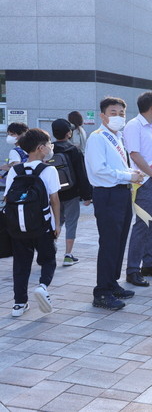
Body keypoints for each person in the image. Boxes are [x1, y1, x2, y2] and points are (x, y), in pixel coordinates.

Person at [85, 97, 145, 310]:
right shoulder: (97, 138)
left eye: (121, 113)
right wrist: (128, 176)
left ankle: (111, 283)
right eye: (113, 113)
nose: (118, 117)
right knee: (109, 243)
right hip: (107, 195)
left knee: (119, 241)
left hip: (121, 193)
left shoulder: (117, 137)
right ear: (102, 115)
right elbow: (99, 170)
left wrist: (132, 173)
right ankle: (101, 292)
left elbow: (117, 167)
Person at [4, 129, 61, 317]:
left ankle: (19, 304)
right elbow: (54, 200)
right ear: (41, 148)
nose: (51, 147)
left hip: (17, 227)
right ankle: (43, 286)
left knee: (21, 264)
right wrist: (57, 224)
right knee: (48, 259)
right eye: (49, 144)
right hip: (42, 226)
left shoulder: (15, 170)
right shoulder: (49, 170)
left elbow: (7, 198)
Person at [122, 92, 152, 287]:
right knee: (143, 225)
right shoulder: (134, 125)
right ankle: (132, 270)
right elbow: (134, 155)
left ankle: (149, 264)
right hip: (143, 181)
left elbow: (151, 153)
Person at [51, 118, 93, 266]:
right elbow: (82, 174)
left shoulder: (49, 149)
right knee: (71, 223)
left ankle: (50, 249)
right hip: (72, 193)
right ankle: (68, 255)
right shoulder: (73, 150)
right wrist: (87, 195)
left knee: (56, 221)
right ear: (69, 133)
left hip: (54, 194)